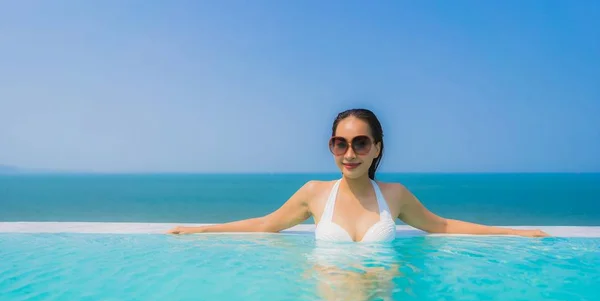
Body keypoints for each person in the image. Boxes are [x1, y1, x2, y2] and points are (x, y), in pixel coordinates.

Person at [167, 108, 549, 240]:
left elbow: (443, 226)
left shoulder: (395, 196)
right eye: (340, 143)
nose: (349, 154)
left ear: (377, 148)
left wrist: (512, 232)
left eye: (361, 143)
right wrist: (198, 230)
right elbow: (265, 224)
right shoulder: (314, 193)